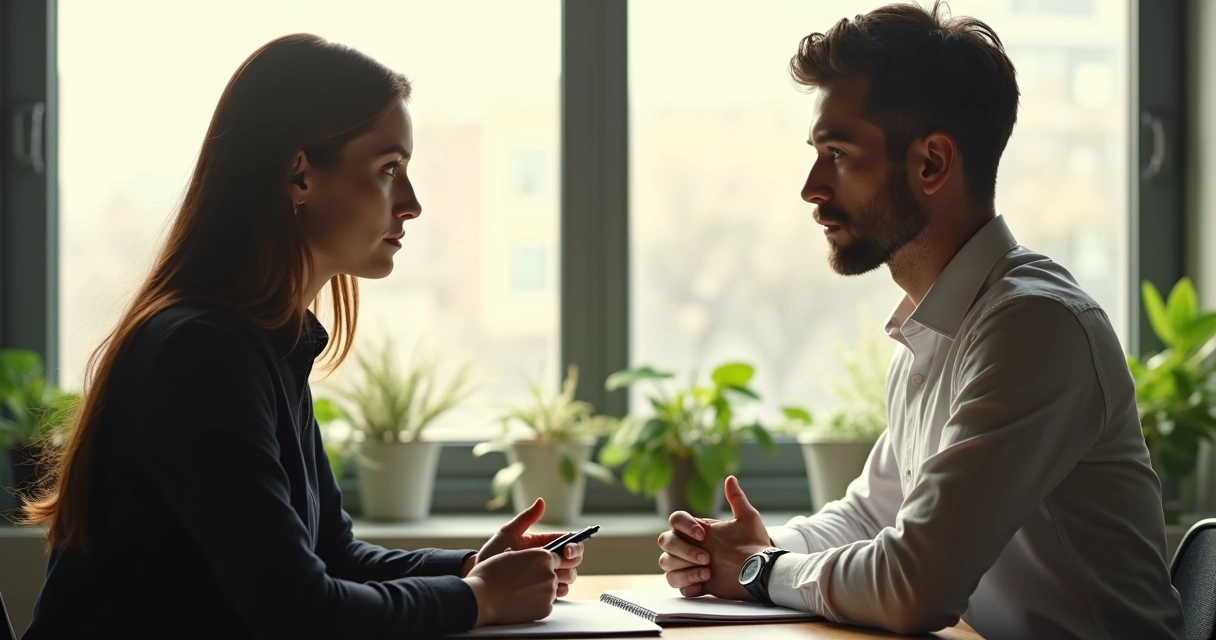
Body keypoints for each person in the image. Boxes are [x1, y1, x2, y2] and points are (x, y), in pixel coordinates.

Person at [19, 34, 579, 639]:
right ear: (299, 174)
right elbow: (301, 612)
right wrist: (476, 601)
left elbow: (332, 557)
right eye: (389, 170)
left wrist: (473, 569)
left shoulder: (266, 342)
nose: (412, 204)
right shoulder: (203, 353)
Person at [655, 3, 1185, 639]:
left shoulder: (1033, 327)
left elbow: (915, 588)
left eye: (838, 153)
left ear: (932, 163)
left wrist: (762, 570)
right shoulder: (934, 328)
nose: (811, 187)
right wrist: (752, 550)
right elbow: (874, 514)